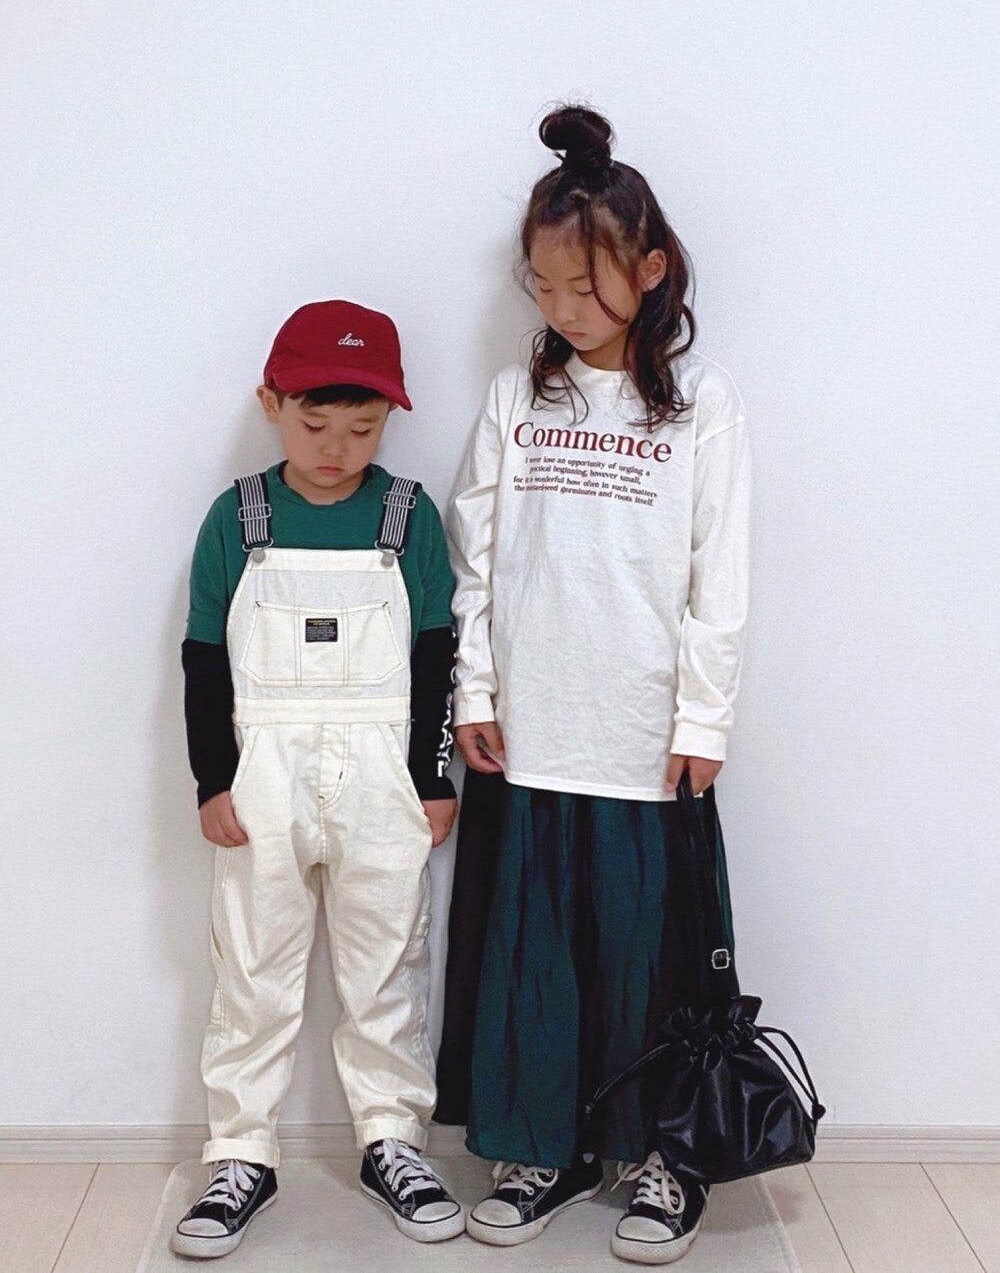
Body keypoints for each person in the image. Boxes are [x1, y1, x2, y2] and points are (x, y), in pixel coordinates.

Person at [439, 106, 751, 1265]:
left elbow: (720, 574)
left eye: (584, 284)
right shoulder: (518, 398)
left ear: (650, 269)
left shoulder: (702, 403)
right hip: (533, 728)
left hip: (644, 733)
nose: (562, 307)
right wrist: (474, 691)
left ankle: (665, 1153)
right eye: (543, 285)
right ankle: (545, 1145)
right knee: (537, 953)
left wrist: (703, 714)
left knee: (648, 952)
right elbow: (476, 555)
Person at [172, 300, 465, 1258]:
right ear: (272, 404)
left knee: (387, 965)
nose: (337, 448)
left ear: (390, 421)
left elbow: (437, 650)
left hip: (386, 771)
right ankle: (240, 1153)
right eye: (314, 422)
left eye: (363, 427)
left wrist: (433, 777)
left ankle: (391, 1140)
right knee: (253, 967)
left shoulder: (407, 517)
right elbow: (203, 654)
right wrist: (212, 779)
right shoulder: (239, 517)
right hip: (262, 771)